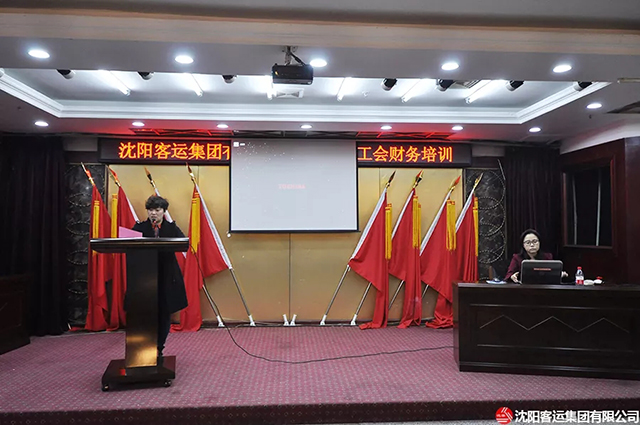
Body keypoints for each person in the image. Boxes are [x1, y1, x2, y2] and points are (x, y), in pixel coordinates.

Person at [132, 195, 188, 358]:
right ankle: (143, 348)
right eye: (150, 210)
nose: (153, 213)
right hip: (144, 278)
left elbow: (184, 243)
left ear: (164, 211)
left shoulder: (171, 228)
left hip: (166, 277)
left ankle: (159, 348)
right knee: (145, 314)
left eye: (157, 210)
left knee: (164, 313)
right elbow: (128, 245)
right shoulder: (139, 228)